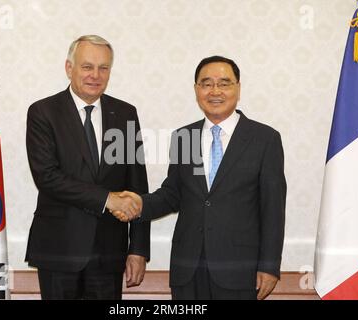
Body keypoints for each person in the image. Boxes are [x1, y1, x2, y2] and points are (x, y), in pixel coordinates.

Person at [113, 56, 286, 300]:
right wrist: (139, 204)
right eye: (206, 83)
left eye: (224, 83)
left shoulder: (264, 139)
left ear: (238, 87)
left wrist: (269, 266)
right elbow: (173, 194)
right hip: (188, 269)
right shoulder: (184, 137)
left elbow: (273, 209)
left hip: (239, 271)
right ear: (196, 90)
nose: (215, 91)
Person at [25, 35, 150, 300]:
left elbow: (138, 185)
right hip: (58, 250)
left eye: (103, 68)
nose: (96, 75)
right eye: (87, 66)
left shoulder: (126, 113)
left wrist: (138, 249)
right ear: (69, 68)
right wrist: (107, 199)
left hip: (109, 254)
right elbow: (47, 177)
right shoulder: (43, 112)